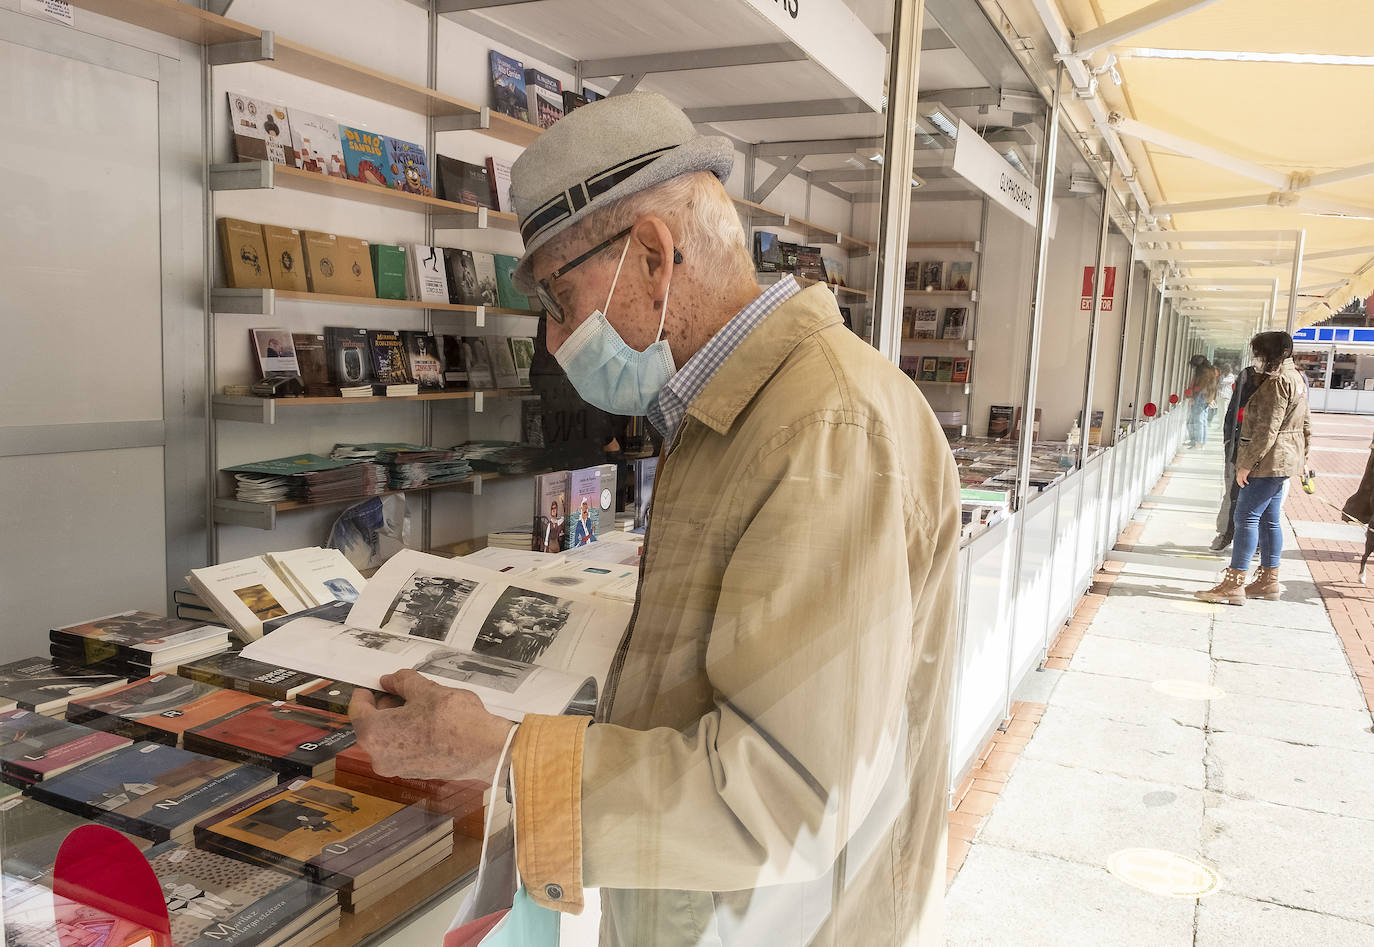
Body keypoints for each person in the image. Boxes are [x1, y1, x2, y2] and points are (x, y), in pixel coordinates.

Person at [349, 92, 960, 945]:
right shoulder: (732, 410)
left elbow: (781, 800)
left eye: (559, 300)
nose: (555, 342)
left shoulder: (824, 426)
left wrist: (499, 756)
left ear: (652, 256)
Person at [1196, 331, 1311, 604]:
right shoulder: (1297, 378)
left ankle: (1234, 583)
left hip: (1267, 460)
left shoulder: (1277, 382)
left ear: (1273, 353)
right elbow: (1306, 423)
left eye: (1259, 352)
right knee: (1270, 518)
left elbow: (1266, 430)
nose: (1256, 359)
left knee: (1245, 516)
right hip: (1284, 459)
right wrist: (1304, 456)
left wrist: (1245, 465)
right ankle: (1268, 580)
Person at [1209, 364, 1259, 551]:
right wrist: (1228, 440)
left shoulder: (1284, 380)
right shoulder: (1247, 375)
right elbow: (1232, 412)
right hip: (1237, 448)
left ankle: (1255, 543)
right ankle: (1225, 533)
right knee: (1232, 493)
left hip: (1263, 452)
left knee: (1260, 500)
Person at [1184, 355, 1217, 448]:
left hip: (1200, 397)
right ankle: (1198, 441)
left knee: (1198, 420)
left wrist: (1192, 395)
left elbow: (1201, 386)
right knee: (1199, 420)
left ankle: (1198, 442)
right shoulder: (1209, 370)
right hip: (1204, 397)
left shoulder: (1204, 372)